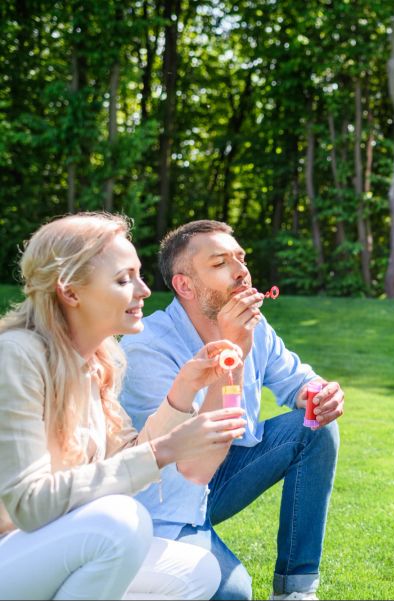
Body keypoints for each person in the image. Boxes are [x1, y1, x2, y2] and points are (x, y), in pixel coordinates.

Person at [0, 212, 247, 600]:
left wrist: (183, 390)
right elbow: (28, 506)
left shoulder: (101, 360)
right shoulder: (17, 356)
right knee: (121, 522)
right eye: (123, 279)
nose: (144, 290)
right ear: (71, 291)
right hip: (11, 551)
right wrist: (165, 451)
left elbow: (125, 458)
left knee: (198, 574)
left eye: (139, 275)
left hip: (60, 546)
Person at [118, 220, 344, 601]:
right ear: (184, 285)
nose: (241, 271)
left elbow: (295, 380)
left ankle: (296, 591)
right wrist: (231, 349)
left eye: (241, 258)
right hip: (167, 500)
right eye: (220, 263)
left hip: (224, 475)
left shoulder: (255, 326)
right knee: (234, 594)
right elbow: (188, 463)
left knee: (316, 427)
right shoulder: (147, 349)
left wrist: (318, 393)